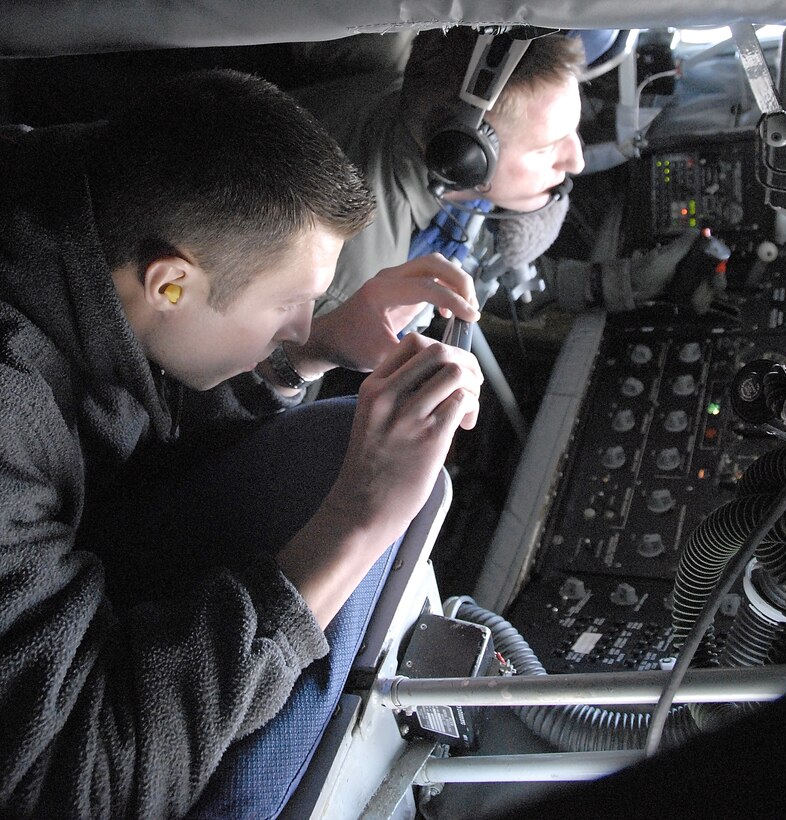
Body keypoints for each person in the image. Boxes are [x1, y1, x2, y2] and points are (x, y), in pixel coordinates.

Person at [0, 68, 482, 818]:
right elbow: (73, 787)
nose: (295, 324)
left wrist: (309, 348)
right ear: (170, 285)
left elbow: (136, 406)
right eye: (288, 305)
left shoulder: (78, 208)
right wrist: (359, 521)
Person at [293, 26, 725, 327]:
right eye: (545, 147)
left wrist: (609, 283)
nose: (575, 161)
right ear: (464, 157)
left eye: (570, 131)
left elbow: (473, 251)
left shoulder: (420, 120)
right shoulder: (349, 280)